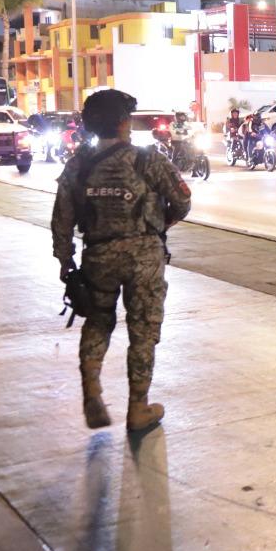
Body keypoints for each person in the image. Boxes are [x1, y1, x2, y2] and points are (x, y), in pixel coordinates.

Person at [51, 89, 192, 433]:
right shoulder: (148, 160)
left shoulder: (78, 164)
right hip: (144, 258)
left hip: (98, 255)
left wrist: (66, 262)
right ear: (125, 122)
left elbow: (62, 219)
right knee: (143, 331)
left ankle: (92, 392)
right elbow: (183, 201)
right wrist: (158, 225)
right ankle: (138, 409)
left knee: (98, 323)